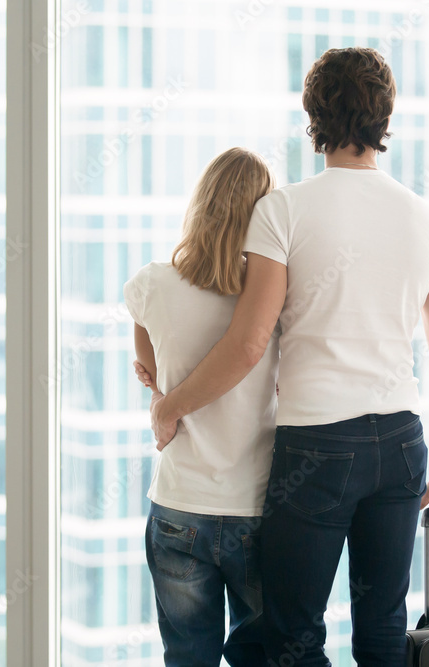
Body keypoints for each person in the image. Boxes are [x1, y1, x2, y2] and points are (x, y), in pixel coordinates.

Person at [143, 48, 429, 667]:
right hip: (402, 444)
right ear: (386, 116)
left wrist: (170, 407)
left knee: (292, 635)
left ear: (313, 114)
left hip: (317, 449)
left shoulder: (283, 210)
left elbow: (246, 343)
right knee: (382, 629)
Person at [123, 147, 280, 666]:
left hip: (178, 507)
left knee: (187, 658)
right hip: (255, 507)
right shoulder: (272, 297)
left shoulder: (150, 284)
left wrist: (165, 392)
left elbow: (152, 377)